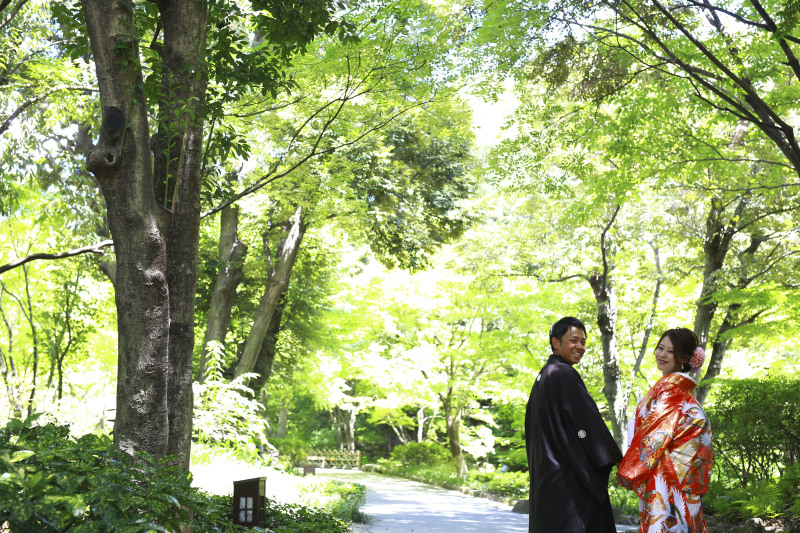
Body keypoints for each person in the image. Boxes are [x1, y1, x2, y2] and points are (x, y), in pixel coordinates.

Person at [525, 316, 623, 533]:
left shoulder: (544, 375)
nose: (580, 347)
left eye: (583, 342)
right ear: (556, 343)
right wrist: (614, 460)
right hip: (567, 479)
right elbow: (587, 424)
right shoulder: (564, 374)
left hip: (548, 475)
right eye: (574, 340)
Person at [616, 328, 713, 533]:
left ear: (685, 358)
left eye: (670, 351)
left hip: (669, 477)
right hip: (681, 478)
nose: (662, 354)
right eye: (660, 348)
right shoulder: (679, 391)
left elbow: (657, 433)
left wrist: (630, 469)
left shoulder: (671, 389)